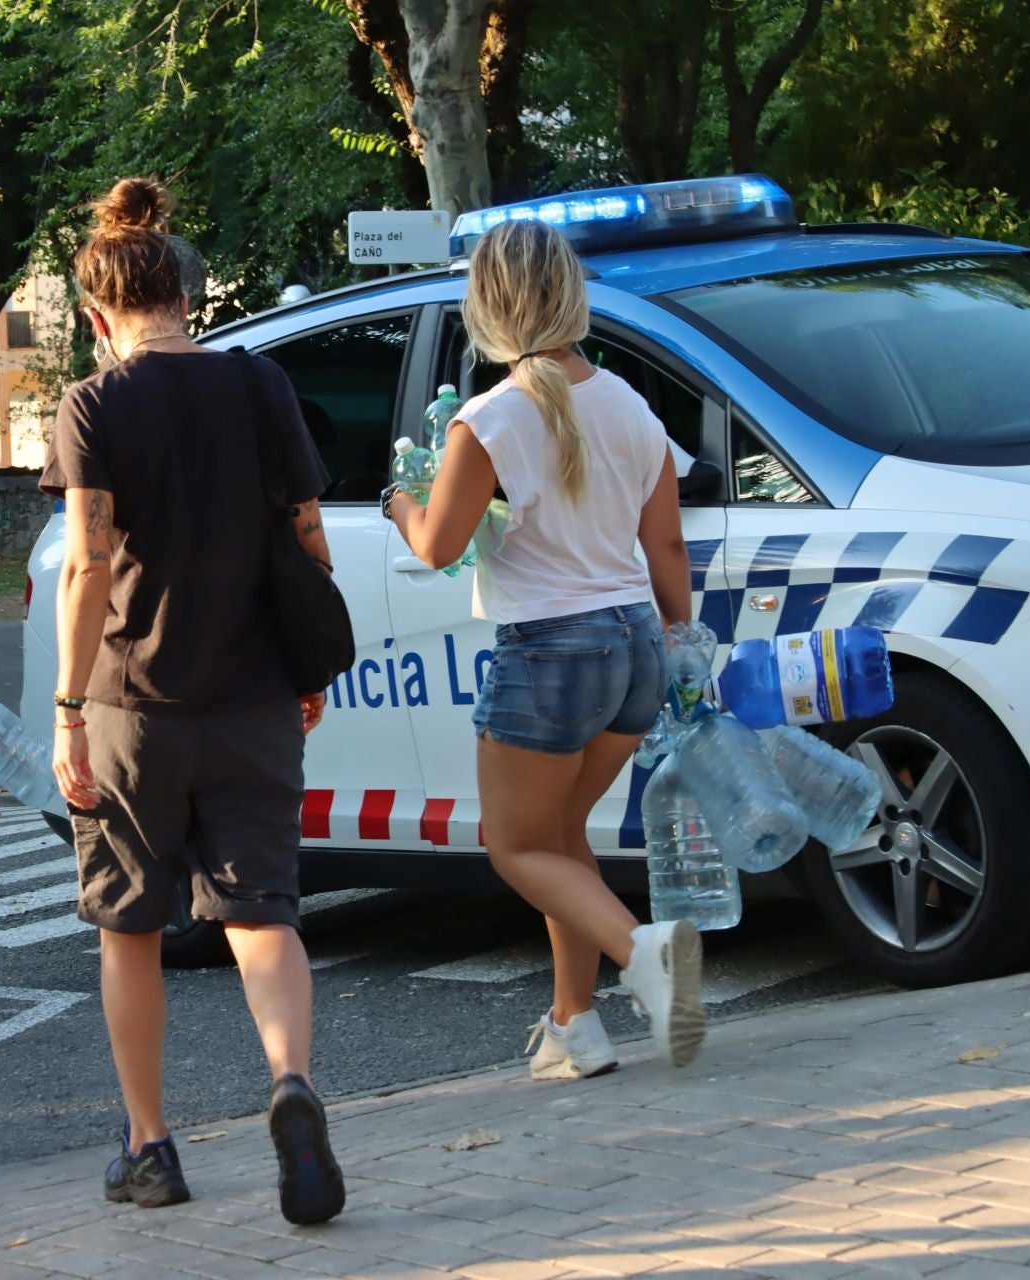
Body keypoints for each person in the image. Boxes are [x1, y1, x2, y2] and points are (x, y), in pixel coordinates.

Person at [43, 178, 345, 1226]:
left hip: (135, 706)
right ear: (186, 295)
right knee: (263, 912)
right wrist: (309, 667)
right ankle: (292, 1082)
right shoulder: (262, 388)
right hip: (257, 694)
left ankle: (151, 1144)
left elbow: (85, 563)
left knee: (128, 926)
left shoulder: (92, 404)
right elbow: (309, 535)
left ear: (96, 314)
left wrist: (68, 707)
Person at [384, 218, 704, 1080]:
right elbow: (666, 549)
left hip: (551, 652)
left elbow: (439, 547)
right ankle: (575, 1027)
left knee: (515, 846)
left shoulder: (489, 420)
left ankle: (644, 956)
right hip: (637, 642)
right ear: (571, 294)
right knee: (563, 835)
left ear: (486, 305)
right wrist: (681, 643)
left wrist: (398, 505)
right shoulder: (632, 405)